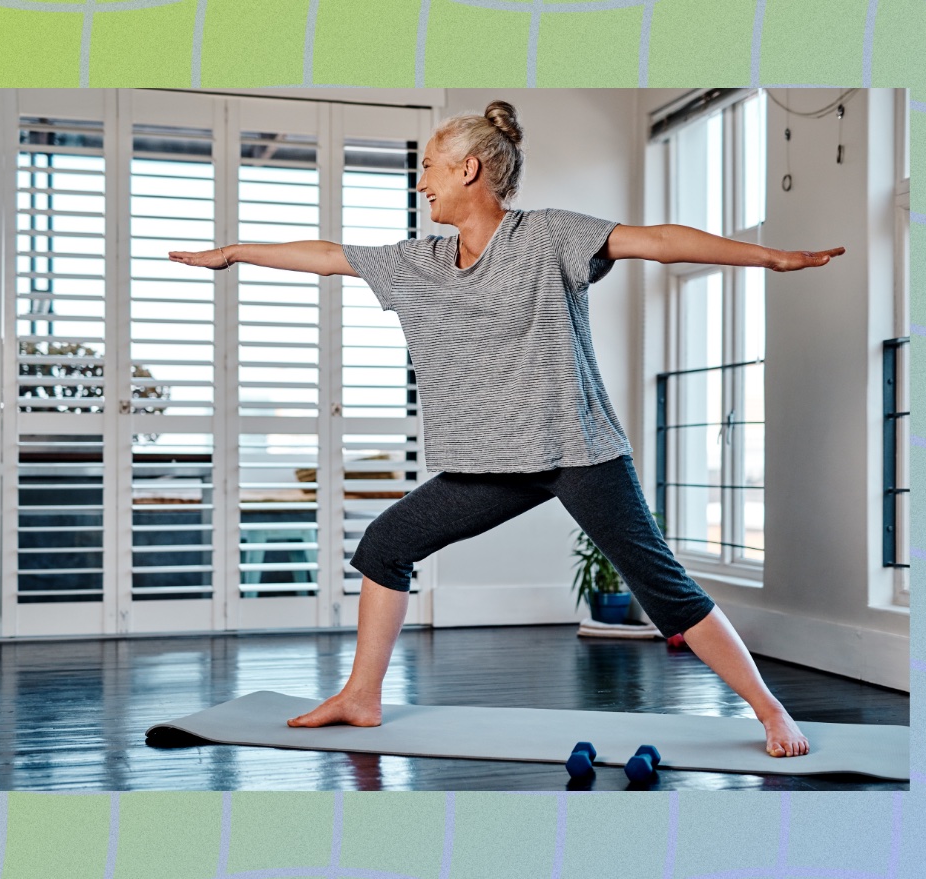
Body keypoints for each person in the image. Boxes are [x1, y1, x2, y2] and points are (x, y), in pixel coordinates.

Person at [169, 100, 844, 759]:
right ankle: (361, 695)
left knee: (661, 583)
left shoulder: (548, 236)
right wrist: (234, 252)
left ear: (469, 170)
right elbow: (327, 255)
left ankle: (768, 706)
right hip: (492, 461)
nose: (420, 179)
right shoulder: (421, 263)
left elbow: (659, 241)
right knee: (384, 544)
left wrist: (773, 258)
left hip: (577, 449)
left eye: (429, 165)